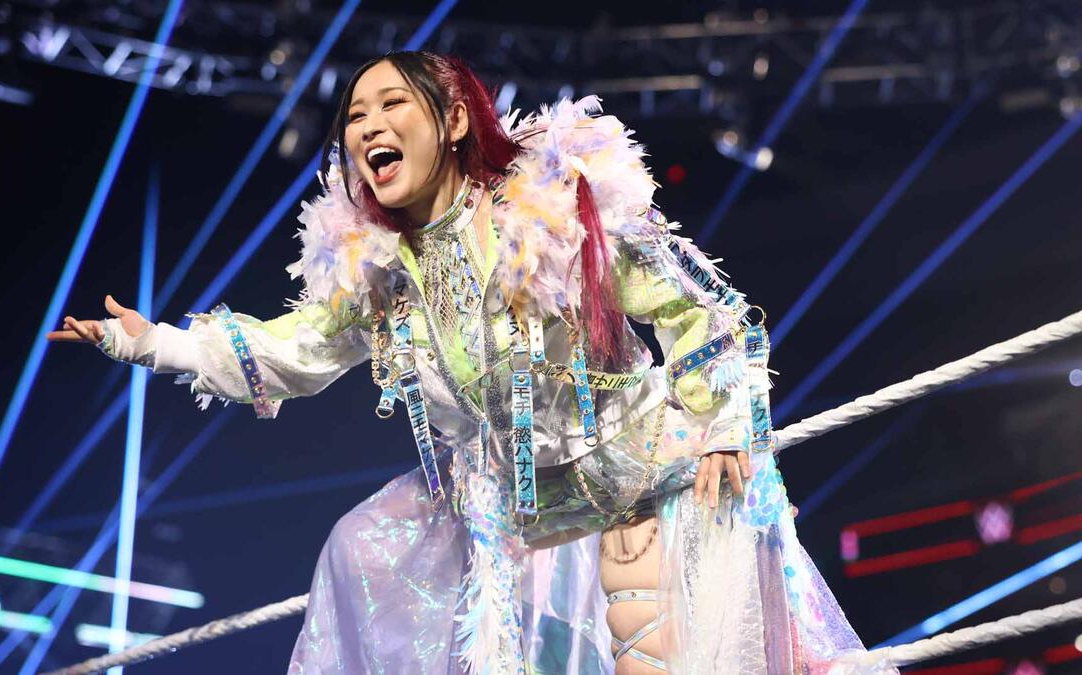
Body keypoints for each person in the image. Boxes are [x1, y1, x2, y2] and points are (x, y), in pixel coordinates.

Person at [49, 51, 893, 674]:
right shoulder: (379, 271)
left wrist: (723, 423)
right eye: (354, 115)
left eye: (391, 103)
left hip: (641, 478)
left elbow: (697, 305)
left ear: (453, 120)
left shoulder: (556, 205)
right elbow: (293, 348)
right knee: (358, 547)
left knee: (658, 652)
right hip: (512, 522)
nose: (367, 125)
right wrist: (152, 342)